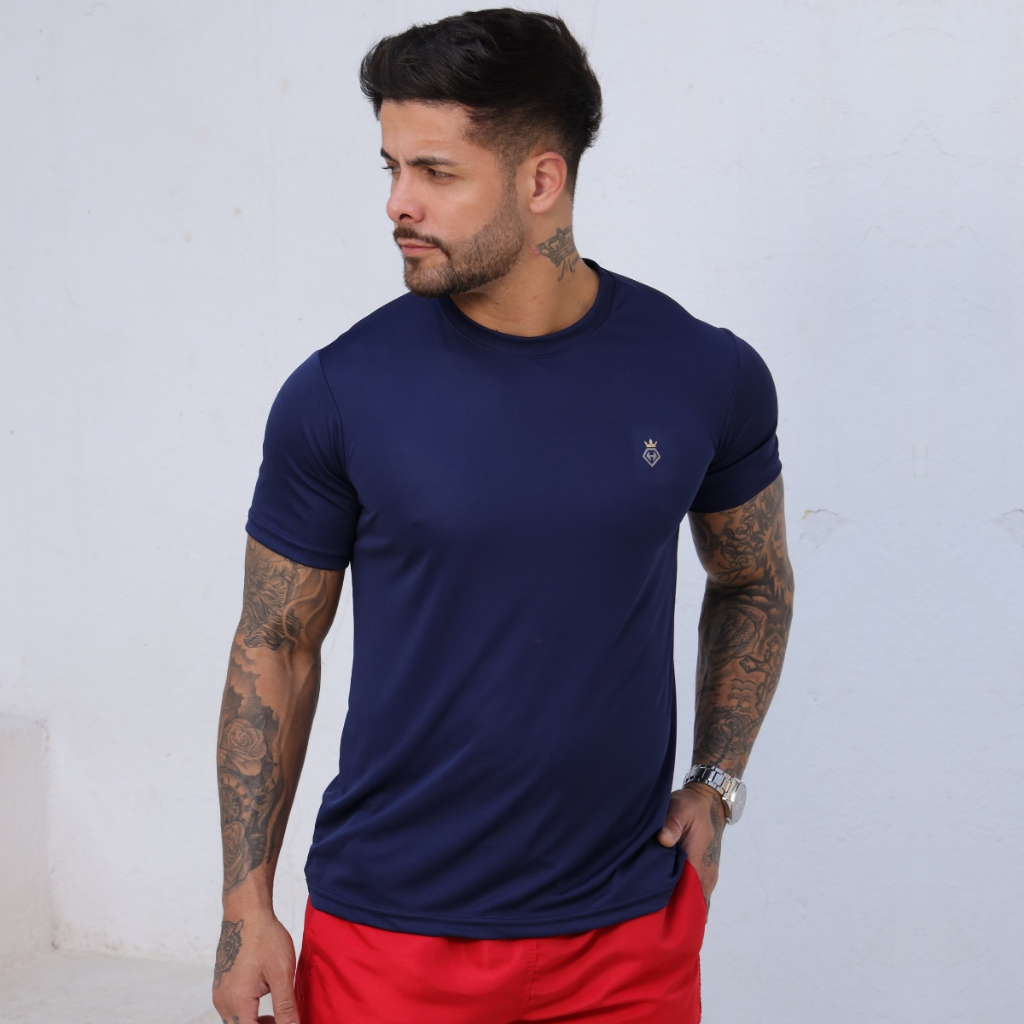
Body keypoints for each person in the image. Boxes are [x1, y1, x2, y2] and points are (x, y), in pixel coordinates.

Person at [211, 9, 794, 1024]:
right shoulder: (340, 393)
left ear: (540, 180)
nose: (397, 202)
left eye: (435, 172)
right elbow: (275, 641)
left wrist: (717, 780)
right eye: (391, 166)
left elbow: (754, 579)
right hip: (391, 937)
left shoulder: (704, 373)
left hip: (625, 937)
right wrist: (244, 905)